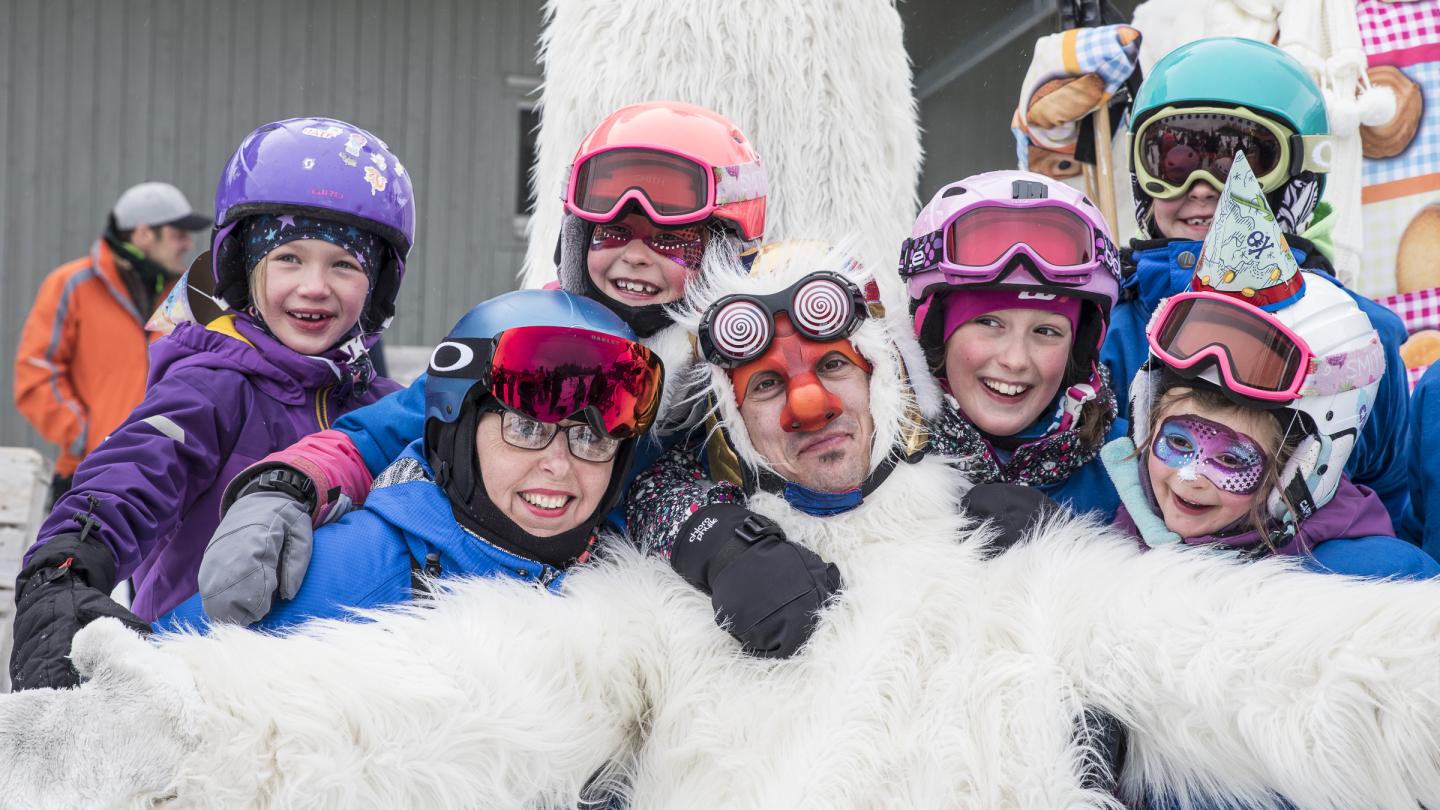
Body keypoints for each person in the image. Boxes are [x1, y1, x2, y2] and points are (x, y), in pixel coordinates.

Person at [11, 241, 1440, 809]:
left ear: (898, 392)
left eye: (835, 374)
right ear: (731, 425)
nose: (809, 404)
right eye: (766, 390)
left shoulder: (1037, 581)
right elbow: (453, 689)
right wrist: (177, 724)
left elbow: (1295, 662)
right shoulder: (668, 598)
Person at [194, 100, 769, 627]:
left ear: (725, 252)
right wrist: (288, 484)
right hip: (463, 580)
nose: (637, 255)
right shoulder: (524, 345)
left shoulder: (737, 382)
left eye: (675, 243)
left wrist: (729, 542)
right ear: (574, 238)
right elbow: (384, 429)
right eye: (613, 231)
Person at [8, 117, 415, 691]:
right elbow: (141, 468)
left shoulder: (382, 407)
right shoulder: (214, 385)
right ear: (244, 268)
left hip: (336, 703)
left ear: (378, 285)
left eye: (343, 264)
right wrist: (69, 566)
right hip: (198, 688)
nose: (315, 286)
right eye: (289, 258)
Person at [155, 288, 663, 632]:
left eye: (591, 439)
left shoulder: (631, 586)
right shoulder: (353, 572)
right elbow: (155, 694)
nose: (559, 464)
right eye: (526, 428)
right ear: (457, 431)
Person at [1103, 36, 1414, 528]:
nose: (1202, 187)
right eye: (1174, 162)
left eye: (1241, 162)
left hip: (1306, 585)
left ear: (1299, 175)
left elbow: (1392, 488)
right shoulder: (1111, 328)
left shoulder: (1360, 336)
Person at [901, 170, 1125, 518]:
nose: (1016, 360)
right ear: (934, 333)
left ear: (1080, 349)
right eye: (989, 323)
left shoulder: (1134, 469)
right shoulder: (877, 459)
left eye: (1047, 331)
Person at [13, 181, 209, 505]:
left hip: (171, 475)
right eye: (178, 233)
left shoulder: (188, 295)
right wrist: (87, 436)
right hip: (87, 474)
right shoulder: (71, 285)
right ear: (144, 234)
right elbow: (35, 373)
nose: (188, 243)